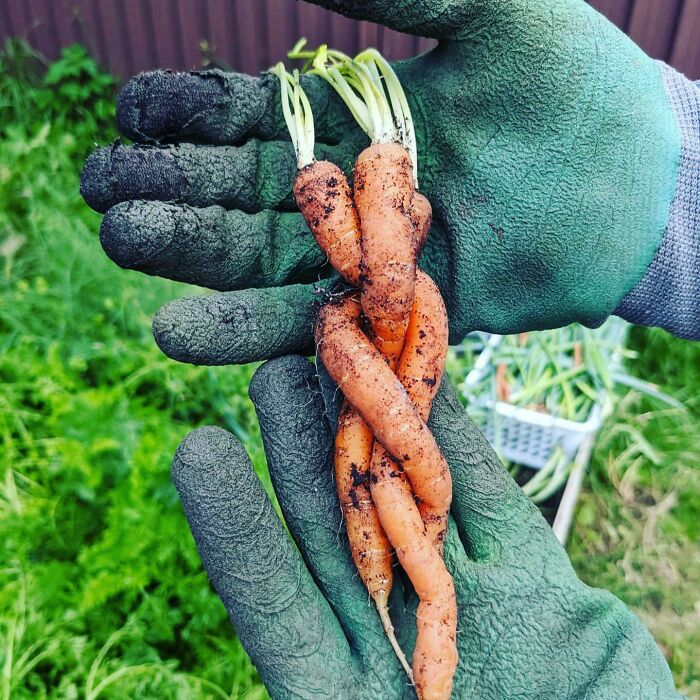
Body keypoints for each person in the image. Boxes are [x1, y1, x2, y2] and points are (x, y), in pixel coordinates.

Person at [81, 0, 697, 697]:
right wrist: (681, 193)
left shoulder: (394, 266)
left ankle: (418, 617)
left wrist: (670, 186)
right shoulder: (378, 266)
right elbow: (388, 312)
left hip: (388, 249)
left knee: (401, 464)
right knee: (389, 444)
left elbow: (393, 302)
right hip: (381, 258)